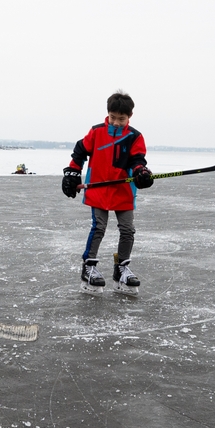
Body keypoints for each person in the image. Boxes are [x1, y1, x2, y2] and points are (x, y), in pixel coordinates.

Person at [62, 91, 152, 296]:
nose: (117, 122)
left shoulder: (135, 136)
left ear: (130, 117)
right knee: (99, 227)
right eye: (113, 117)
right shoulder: (97, 132)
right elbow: (80, 150)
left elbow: (138, 160)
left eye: (121, 119)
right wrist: (73, 172)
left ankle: (121, 268)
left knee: (128, 230)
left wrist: (141, 172)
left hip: (123, 191)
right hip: (98, 189)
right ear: (108, 114)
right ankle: (89, 266)